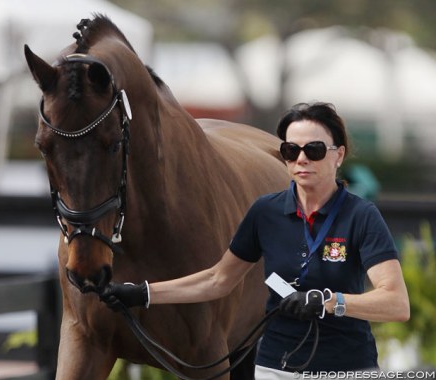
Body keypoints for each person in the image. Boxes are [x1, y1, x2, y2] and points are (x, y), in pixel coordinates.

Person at [100, 102, 410, 378]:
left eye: (314, 150)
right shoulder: (265, 212)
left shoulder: (361, 216)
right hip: (275, 367)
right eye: (291, 151)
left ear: (338, 155)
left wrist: (327, 302)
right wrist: (143, 293)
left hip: (346, 368)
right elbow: (217, 279)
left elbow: (395, 303)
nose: (301, 160)